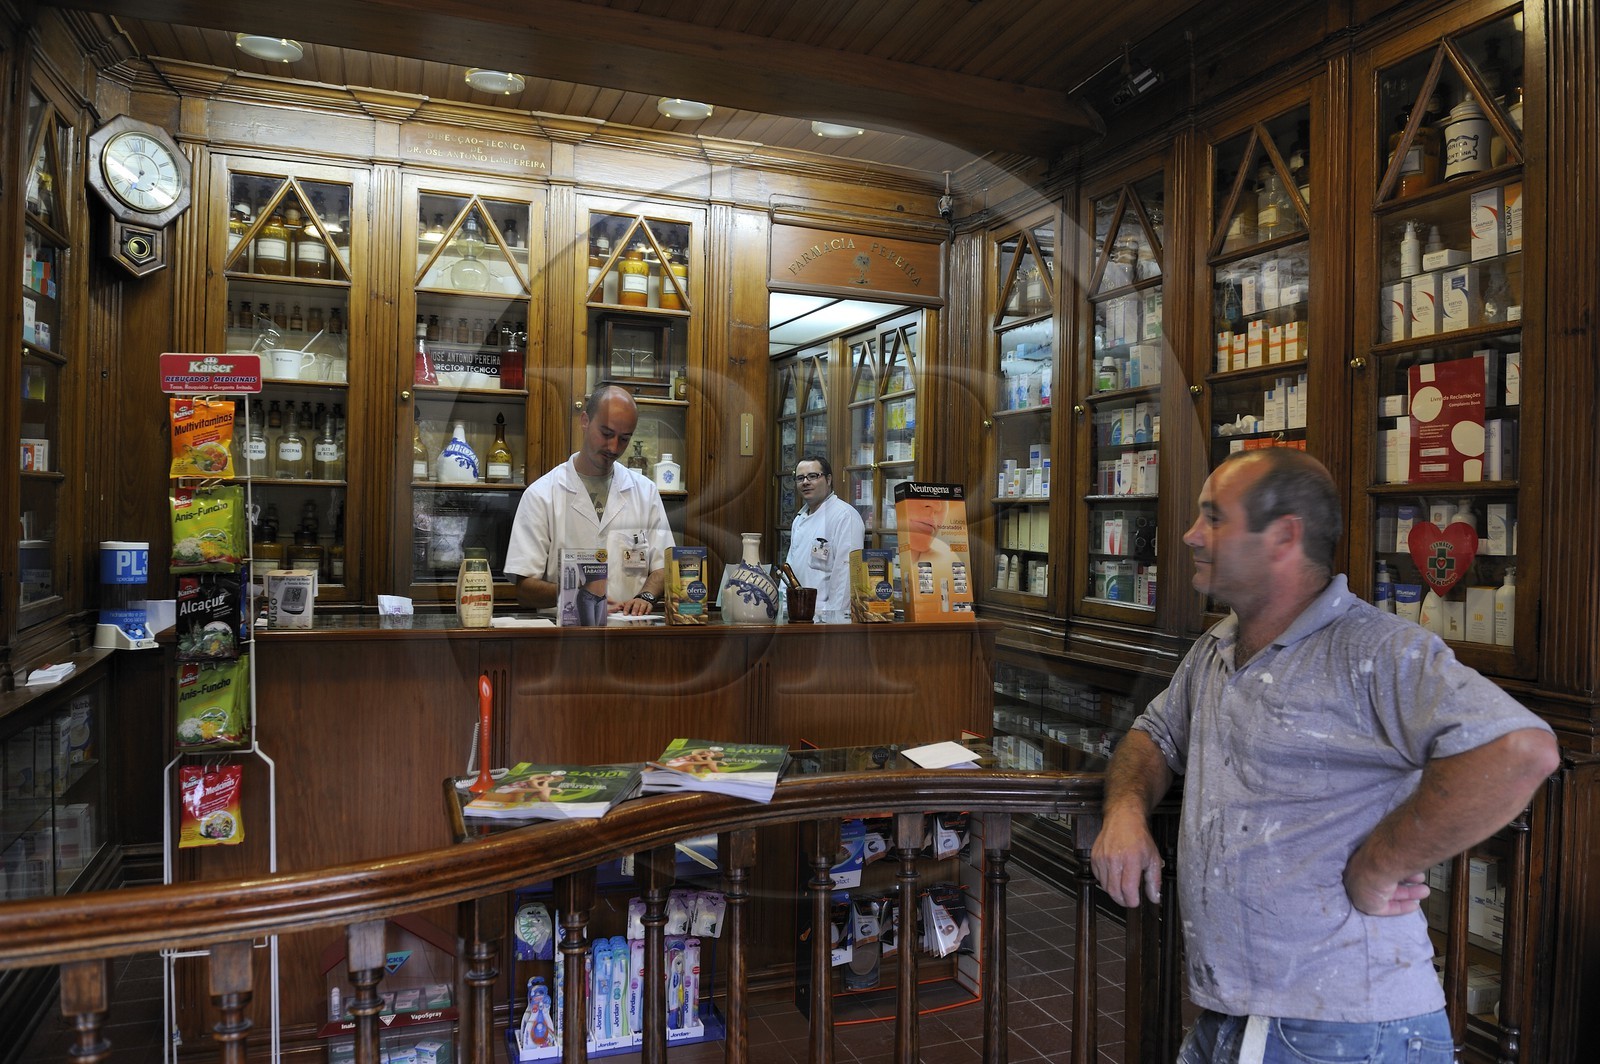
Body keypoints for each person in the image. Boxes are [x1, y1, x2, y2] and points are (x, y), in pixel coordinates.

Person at [1089, 448, 1558, 1063]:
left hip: (1344, 1028)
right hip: (1237, 1015)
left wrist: (1380, 864)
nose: (1191, 535)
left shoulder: (1376, 650)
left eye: (1214, 517)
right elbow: (1155, 736)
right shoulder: (1218, 644)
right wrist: (1125, 811)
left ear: (1284, 534)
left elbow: (1520, 749)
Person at [504, 385, 673, 616]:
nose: (613, 447)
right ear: (585, 421)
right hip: (563, 635)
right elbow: (524, 590)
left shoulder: (645, 491)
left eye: (624, 439)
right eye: (606, 434)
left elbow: (663, 567)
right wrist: (577, 592)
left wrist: (646, 596)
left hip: (628, 631)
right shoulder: (541, 495)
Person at [784, 454, 865, 620]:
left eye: (813, 476)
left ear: (828, 480)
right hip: (798, 615)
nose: (805, 482)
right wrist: (785, 608)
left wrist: (833, 619)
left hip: (827, 619)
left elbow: (846, 575)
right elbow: (790, 569)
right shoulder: (799, 519)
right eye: (800, 478)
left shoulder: (844, 516)